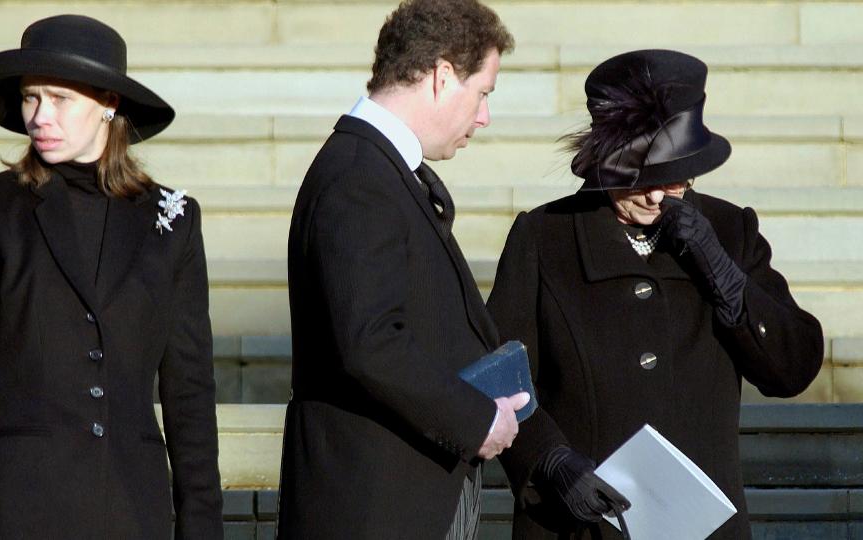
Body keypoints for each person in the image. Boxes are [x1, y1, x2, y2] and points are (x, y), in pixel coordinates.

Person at [487, 49, 824, 539]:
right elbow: (500, 371)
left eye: (672, 179)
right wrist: (549, 459)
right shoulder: (544, 237)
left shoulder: (730, 229)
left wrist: (723, 272)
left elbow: (793, 368)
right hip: (577, 523)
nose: (652, 197)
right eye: (636, 179)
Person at [0, 15, 223, 539]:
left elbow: (190, 392)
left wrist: (201, 526)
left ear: (109, 103)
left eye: (59, 99)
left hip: (136, 513)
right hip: (20, 511)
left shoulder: (174, 219)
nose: (39, 116)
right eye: (30, 98)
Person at [276, 1, 528, 538]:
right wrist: (475, 419)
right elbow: (370, 342)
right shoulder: (359, 177)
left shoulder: (377, 169)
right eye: (482, 92)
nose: (483, 116)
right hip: (372, 507)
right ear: (441, 77)